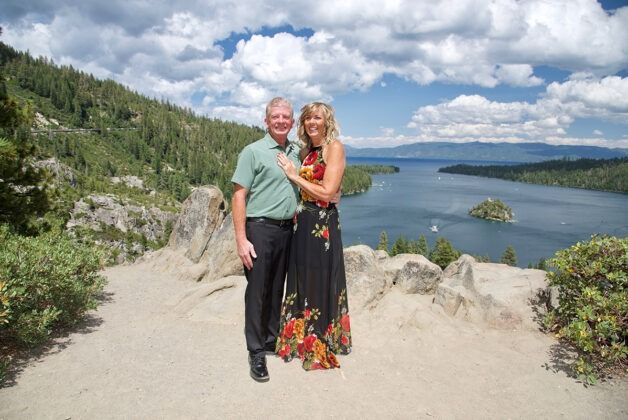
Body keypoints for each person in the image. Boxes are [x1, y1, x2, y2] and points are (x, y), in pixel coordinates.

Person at [275, 102, 352, 370]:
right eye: (308, 118)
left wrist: (294, 177)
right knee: (301, 278)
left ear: (327, 121)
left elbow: (328, 192)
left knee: (320, 279)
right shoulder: (308, 150)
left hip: (323, 223)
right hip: (303, 221)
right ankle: (298, 339)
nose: (312, 122)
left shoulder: (335, 148)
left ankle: (320, 342)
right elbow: (318, 189)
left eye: (317, 117)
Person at [231, 97, 301, 382]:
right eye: (276, 117)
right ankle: (256, 351)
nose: (281, 121)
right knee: (258, 290)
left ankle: (272, 339)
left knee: (276, 288)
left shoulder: (296, 152)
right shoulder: (253, 151)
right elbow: (238, 195)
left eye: (286, 117)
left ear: (292, 122)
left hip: (287, 230)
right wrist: (241, 239)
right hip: (260, 229)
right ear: (266, 120)